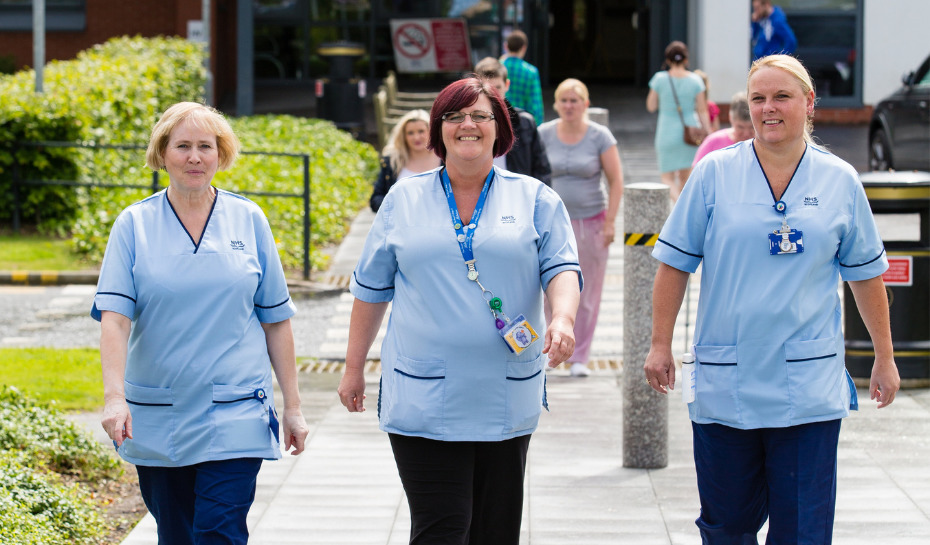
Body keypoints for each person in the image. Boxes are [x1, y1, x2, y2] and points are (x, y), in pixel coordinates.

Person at [644, 55, 900, 544]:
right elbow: (674, 265)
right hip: (727, 382)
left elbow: (867, 276)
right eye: (758, 98)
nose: (768, 108)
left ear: (808, 103)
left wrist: (884, 358)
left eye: (781, 96)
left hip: (807, 390)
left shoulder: (840, 180)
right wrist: (660, 344)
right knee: (726, 527)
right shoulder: (713, 174)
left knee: (803, 530)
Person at [337, 76, 582, 545]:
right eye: (454, 116)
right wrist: (353, 368)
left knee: (496, 531)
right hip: (423, 397)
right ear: (438, 129)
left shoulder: (535, 198)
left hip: (505, 392)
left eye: (479, 116)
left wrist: (563, 318)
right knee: (441, 529)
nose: (467, 125)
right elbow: (371, 290)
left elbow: (562, 269)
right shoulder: (403, 199)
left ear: (500, 130)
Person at [92, 102, 309, 545]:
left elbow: (276, 320)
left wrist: (293, 406)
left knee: (219, 532)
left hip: (235, 409)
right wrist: (115, 400)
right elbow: (114, 321)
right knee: (176, 534)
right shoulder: (134, 224)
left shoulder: (249, 220)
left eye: (205, 146)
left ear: (220, 154)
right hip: (159, 412)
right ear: (162, 153)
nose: (195, 157)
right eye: (183, 146)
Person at [538, 78, 623, 377]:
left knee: (586, 291)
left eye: (575, 100)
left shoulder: (600, 136)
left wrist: (611, 221)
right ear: (556, 104)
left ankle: (580, 356)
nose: (569, 106)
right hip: (551, 222)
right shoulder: (543, 133)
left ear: (586, 104)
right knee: (549, 288)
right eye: (564, 100)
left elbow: (616, 181)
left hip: (591, 220)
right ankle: (549, 351)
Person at [647, 41, 712, 200]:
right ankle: (684, 211)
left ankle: (678, 208)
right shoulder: (696, 80)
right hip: (690, 132)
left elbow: (651, 106)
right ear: (686, 60)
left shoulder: (659, 79)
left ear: (668, 60)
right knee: (685, 178)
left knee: (667, 178)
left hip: (666, 131)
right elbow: (702, 110)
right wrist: (709, 132)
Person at [474, 56, 552, 185]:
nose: (493, 95)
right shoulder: (465, 124)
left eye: (497, 88)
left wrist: (536, 203)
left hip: (518, 198)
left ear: (507, 85)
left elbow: (542, 169)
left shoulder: (525, 123)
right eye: (487, 89)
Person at [370, 109, 442, 212]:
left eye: (421, 131)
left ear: (430, 132)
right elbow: (376, 199)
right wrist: (396, 207)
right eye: (410, 133)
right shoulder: (392, 162)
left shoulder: (445, 159)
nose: (416, 137)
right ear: (404, 136)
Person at [691, 91, 754, 166]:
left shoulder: (764, 143)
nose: (746, 133)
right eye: (740, 127)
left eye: (752, 127)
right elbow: (696, 170)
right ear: (730, 118)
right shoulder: (714, 141)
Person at [501, 29, 545, 125]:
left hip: (501, 120)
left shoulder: (498, 66)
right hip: (522, 123)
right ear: (524, 48)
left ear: (506, 46)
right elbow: (535, 104)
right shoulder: (531, 71)